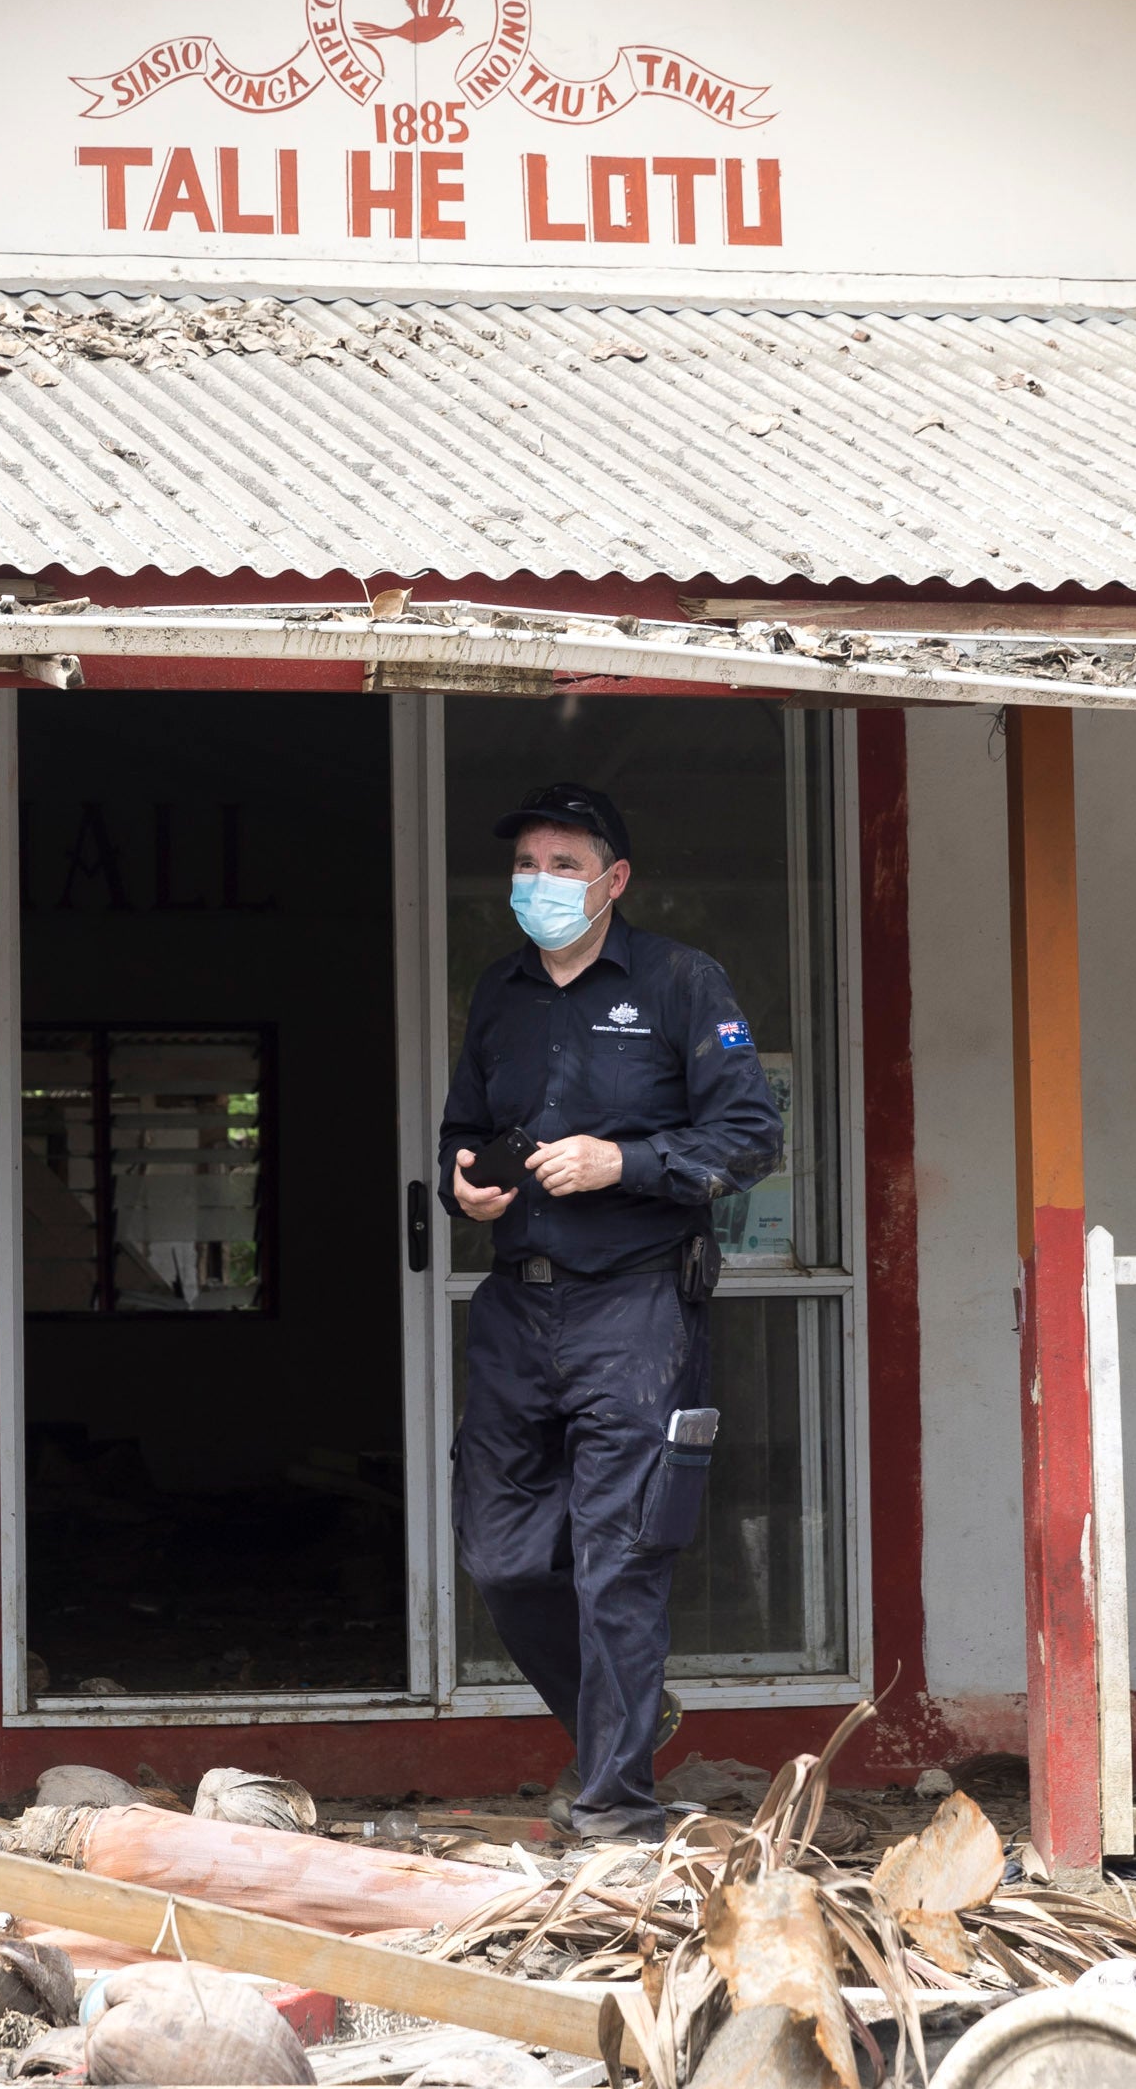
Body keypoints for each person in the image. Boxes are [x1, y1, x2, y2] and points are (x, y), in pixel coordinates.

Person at [440, 780, 782, 1840]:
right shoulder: (502, 993)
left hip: (636, 1313)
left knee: (620, 1556)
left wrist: (623, 1161)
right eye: (526, 865)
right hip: (519, 1306)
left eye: (564, 866)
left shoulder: (683, 982)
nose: (538, 884)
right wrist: (465, 1182)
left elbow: (751, 1139)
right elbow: (463, 1125)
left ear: (614, 881)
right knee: (498, 1555)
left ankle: (615, 1807)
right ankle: (623, 1723)